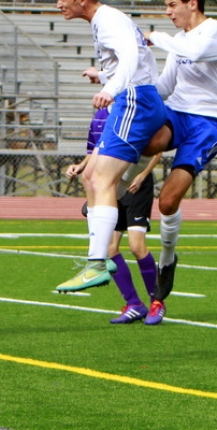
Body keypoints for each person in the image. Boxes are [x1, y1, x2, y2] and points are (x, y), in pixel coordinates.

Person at [49, 0, 166, 294]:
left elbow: (131, 55)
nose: (59, 4)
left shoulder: (108, 19)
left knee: (100, 178)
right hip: (134, 98)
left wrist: (110, 89)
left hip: (135, 102)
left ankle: (97, 263)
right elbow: (135, 59)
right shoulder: (103, 20)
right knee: (91, 176)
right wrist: (102, 75)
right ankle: (100, 259)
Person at [143, 0, 217, 325]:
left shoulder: (215, 33)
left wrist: (154, 37)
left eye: (172, 5)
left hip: (205, 124)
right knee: (146, 137)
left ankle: (167, 260)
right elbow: (166, 85)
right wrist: (124, 88)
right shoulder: (179, 41)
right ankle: (112, 191)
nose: (168, 13)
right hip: (178, 112)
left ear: (192, 4)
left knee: (167, 202)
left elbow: (193, 53)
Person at [66, 107, 161, 324]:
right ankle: (134, 304)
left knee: (137, 247)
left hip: (136, 186)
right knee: (109, 248)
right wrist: (79, 167)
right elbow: (94, 153)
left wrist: (142, 175)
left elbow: (156, 151)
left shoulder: (134, 110)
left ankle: (157, 302)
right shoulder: (100, 117)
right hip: (110, 187)